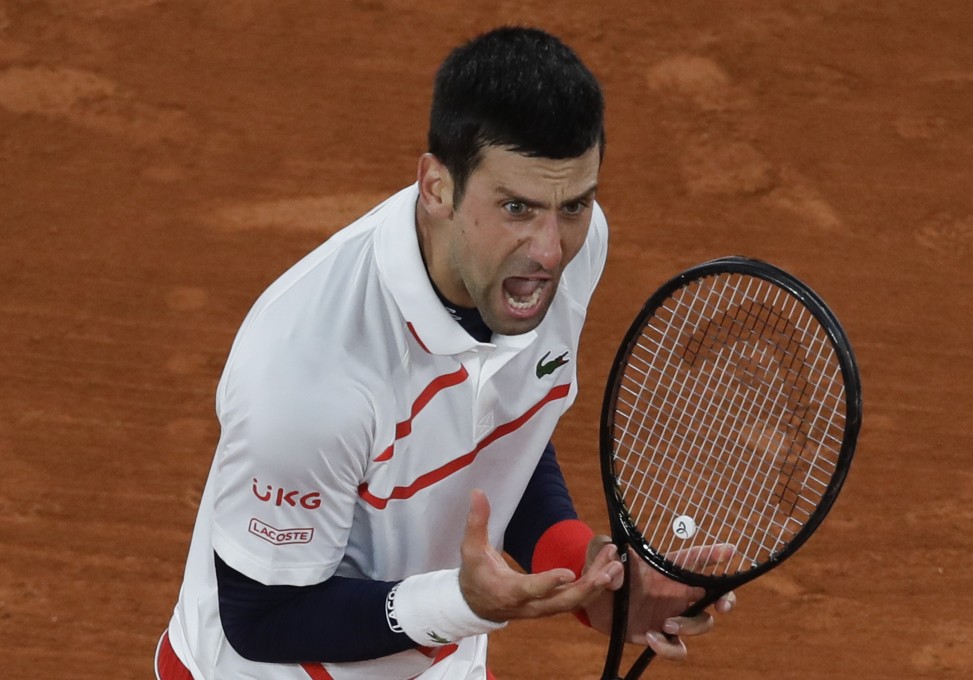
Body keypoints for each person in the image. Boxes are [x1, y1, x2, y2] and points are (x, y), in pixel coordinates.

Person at [156, 26, 735, 680]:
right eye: (516, 207)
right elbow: (260, 618)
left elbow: (494, 426)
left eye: (574, 205)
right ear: (436, 187)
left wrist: (583, 568)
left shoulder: (561, 257)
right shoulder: (309, 376)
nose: (550, 250)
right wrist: (457, 603)